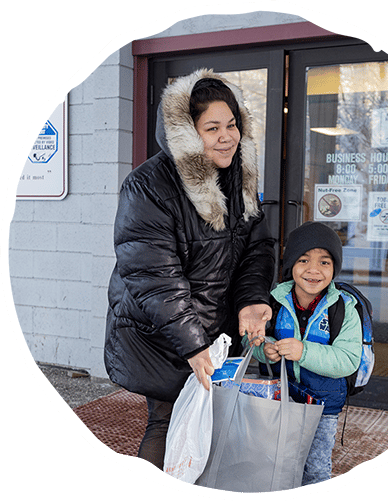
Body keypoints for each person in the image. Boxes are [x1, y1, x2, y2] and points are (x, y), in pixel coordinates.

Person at [104, 69, 275, 470]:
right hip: (162, 332)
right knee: (165, 422)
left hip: (212, 331)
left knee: (210, 428)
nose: (227, 136)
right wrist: (192, 344)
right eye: (212, 127)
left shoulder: (239, 177)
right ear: (186, 132)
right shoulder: (148, 186)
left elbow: (258, 247)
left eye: (232, 125)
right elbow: (153, 276)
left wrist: (251, 300)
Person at [249, 221, 362, 485]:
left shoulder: (343, 309)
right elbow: (251, 339)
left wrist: (304, 352)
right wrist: (263, 350)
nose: (313, 270)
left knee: (315, 471)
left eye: (324, 262)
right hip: (279, 401)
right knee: (274, 464)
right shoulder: (273, 300)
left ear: (334, 268)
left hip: (323, 408)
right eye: (303, 260)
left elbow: (347, 360)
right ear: (291, 266)